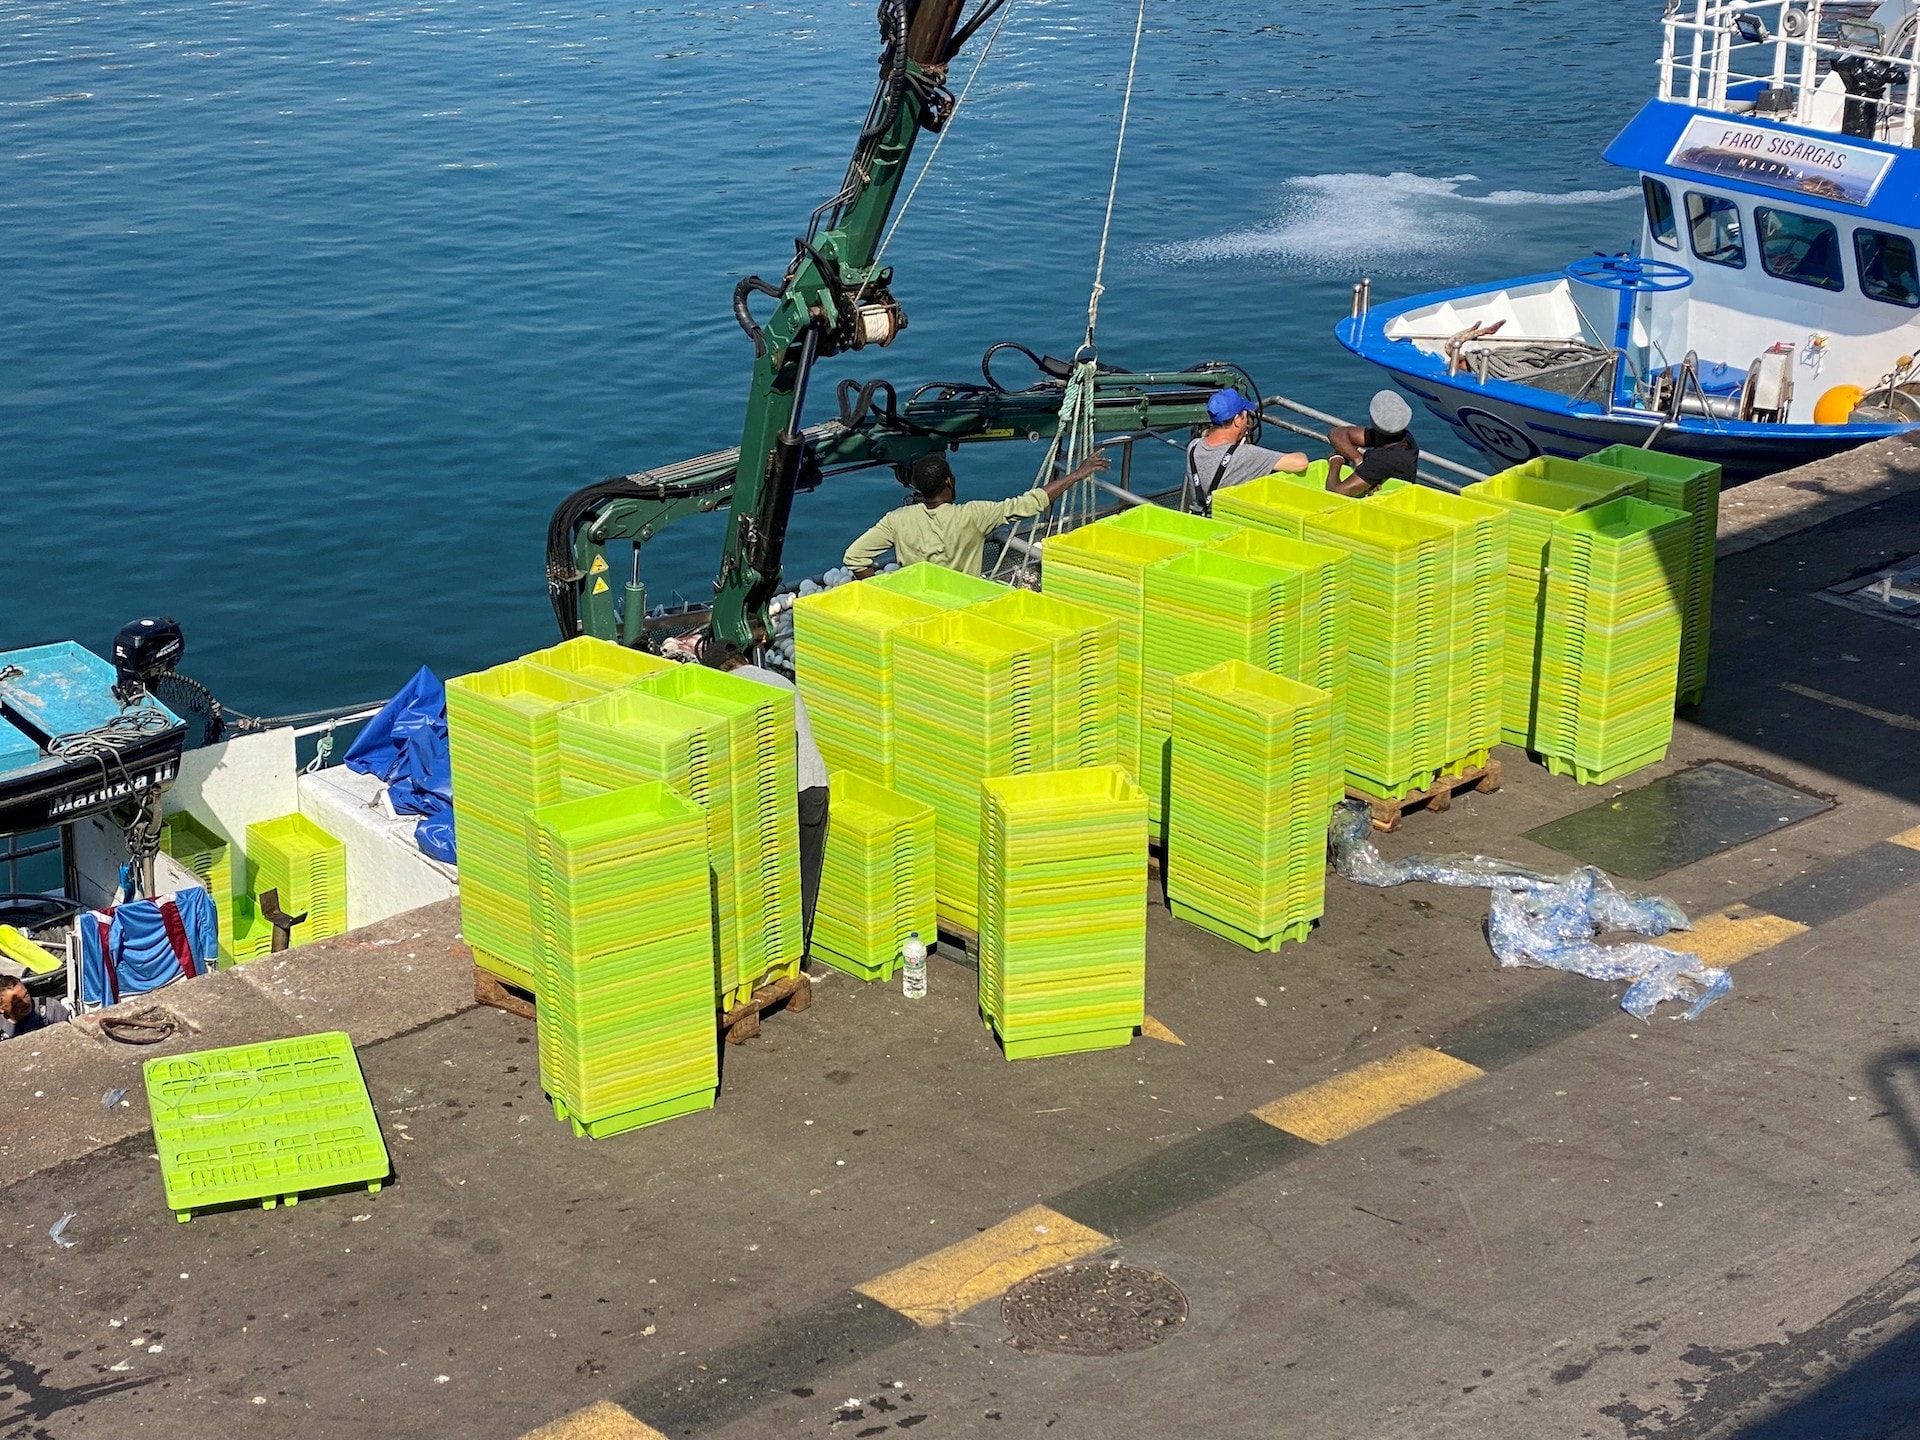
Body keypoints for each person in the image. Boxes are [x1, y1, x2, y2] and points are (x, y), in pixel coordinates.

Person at [699, 636, 831, 963]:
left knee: (775, 878)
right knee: (803, 875)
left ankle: (781, 955)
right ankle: (796, 955)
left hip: (782, 795)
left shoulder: (733, 691)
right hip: (812, 786)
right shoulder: (777, 680)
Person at [844, 448, 1111, 579]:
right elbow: (1030, 503)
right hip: (966, 606)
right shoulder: (975, 514)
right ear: (948, 481)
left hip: (919, 607)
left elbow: (854, 557)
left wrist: (886, 588)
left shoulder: (897, 520)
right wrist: (1075, 475)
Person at [1184, 388, 1309, 514]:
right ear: (1237, 420)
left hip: (1198, 518)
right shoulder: (1245, 455)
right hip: (1227, 520)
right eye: (1245, 416)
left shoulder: (1193, 447)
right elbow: (1300, 463)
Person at [1326, 391, 1421, 497]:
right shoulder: (1404, 437)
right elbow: (1336, 433)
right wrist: (1358, 460)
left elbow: (1336, 492)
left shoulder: (1383, 459)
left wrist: (1336, 460)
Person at [1, 976, 70, 1041]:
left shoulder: (51, 1009)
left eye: (26, 995)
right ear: (1, 1008)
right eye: (18, 1002)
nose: (25, 1002)